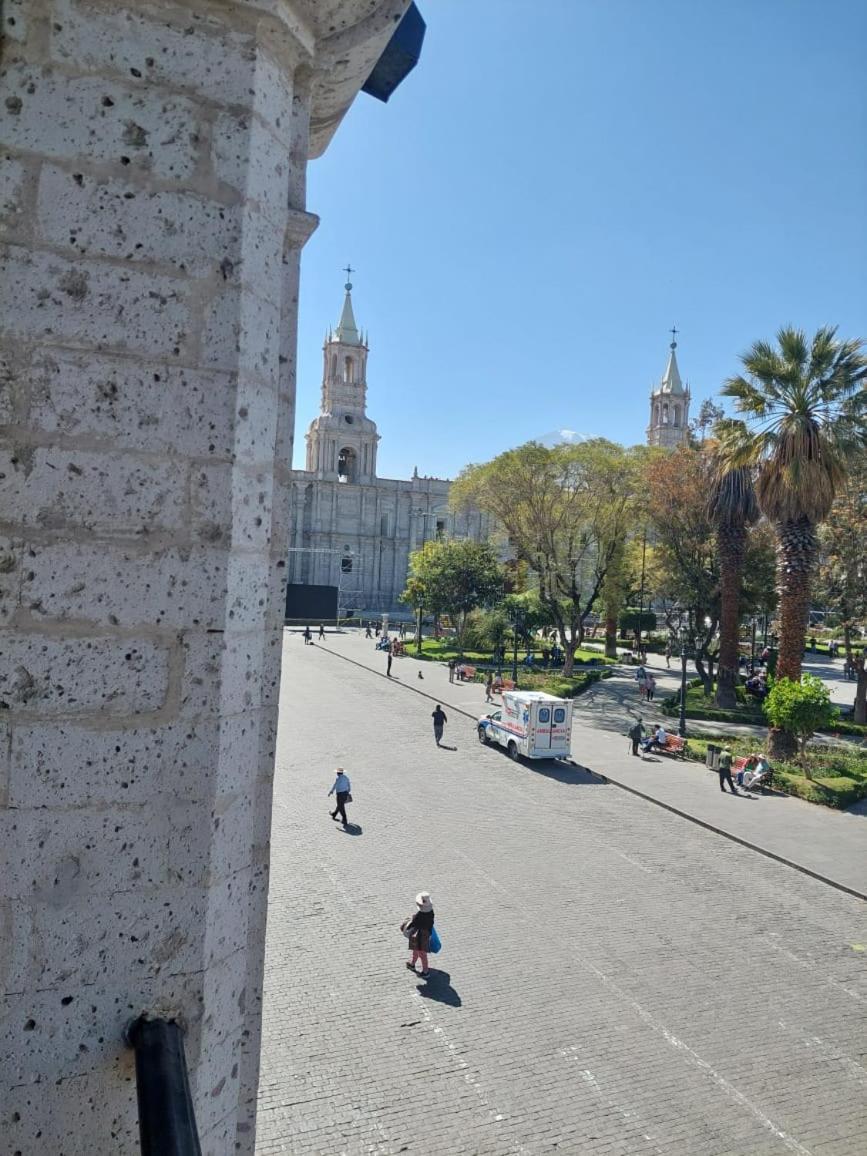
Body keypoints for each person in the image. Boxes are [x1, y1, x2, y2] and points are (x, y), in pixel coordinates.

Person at [402, 891, 435, 979]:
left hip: (419, 935)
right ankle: (412, 963)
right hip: (426, 933)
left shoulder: (420, 915)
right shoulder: (431, 912)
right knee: (416, 949)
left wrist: (409, 923)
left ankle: (425, 971)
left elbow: (414, 923)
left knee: (422, 953)